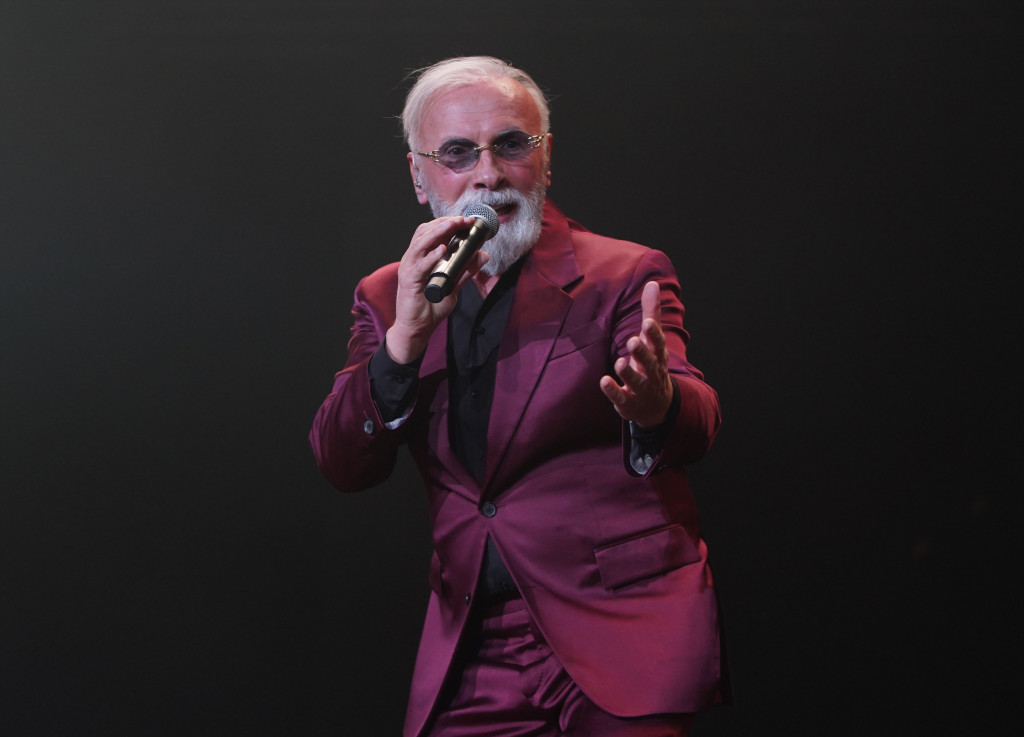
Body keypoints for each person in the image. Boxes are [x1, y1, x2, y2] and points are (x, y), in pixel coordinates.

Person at [310, 56, 725, 737]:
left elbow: (698, 416)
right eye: (457, 153)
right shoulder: (389, 296)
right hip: (476, 642)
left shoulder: (622, 272)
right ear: (418, 175)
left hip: (619, 623)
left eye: (510, 144)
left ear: (544, 156)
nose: (488, 175)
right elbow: (340, 461)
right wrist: (403, 344)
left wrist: (657, 407)